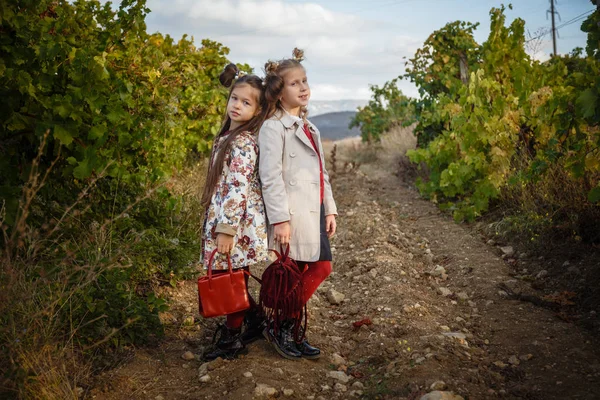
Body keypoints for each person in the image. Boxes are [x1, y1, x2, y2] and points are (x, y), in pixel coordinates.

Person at [259, 48, 337, 360]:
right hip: (291, 214)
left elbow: (322, 172)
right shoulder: (273, 128)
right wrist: (280, 220)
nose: (303, 87)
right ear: (278, 93)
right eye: (294, 83)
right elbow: (270, 176)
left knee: (318, 267)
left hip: (314, 210)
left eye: (305, 81)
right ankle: (281, 326)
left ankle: (282, 324)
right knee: (301, 271)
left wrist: (329, 208)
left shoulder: (311, 128)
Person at [200, 64, 270, 360]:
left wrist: (226, 229)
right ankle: (255, 319)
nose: (237, 105)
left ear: (257, 111)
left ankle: (231, 339)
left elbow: (237, 189)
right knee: (233, 277)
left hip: (236, 225)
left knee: (231, 279)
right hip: (226, 220)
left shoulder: (242, 142)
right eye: (234, 99)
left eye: (246, 102)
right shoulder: (227, 136)